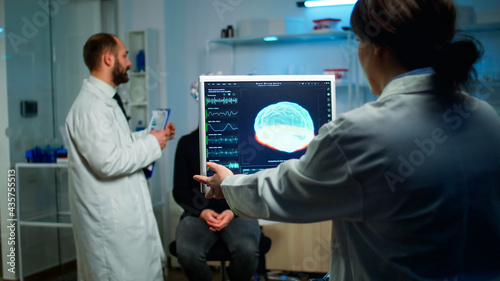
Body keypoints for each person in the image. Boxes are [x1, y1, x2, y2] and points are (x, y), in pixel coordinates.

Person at [194, 0, 500, 280]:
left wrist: (228, 185)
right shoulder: (487, 118)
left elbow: (286, 190)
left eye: (358, 42)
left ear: (377, 48)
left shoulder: (360, 133)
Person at [65, 33, 175, 281]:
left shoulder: (107, 101)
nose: (128, 62)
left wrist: (152, 135)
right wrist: (150, 143)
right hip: (110, 229)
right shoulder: (90, 107)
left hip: (124, 222)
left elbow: (118, 143)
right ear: (108, 58)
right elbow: (108, 162)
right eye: (124, 55)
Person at [173, 128, 261, 281]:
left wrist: (234, 210)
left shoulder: (248, 141)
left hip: (240, 211)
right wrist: (202, 212)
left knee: (248, 251)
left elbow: (255, 184)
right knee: (187, 253)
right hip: (197, 214)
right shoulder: (187, 142)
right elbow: (180, 191)